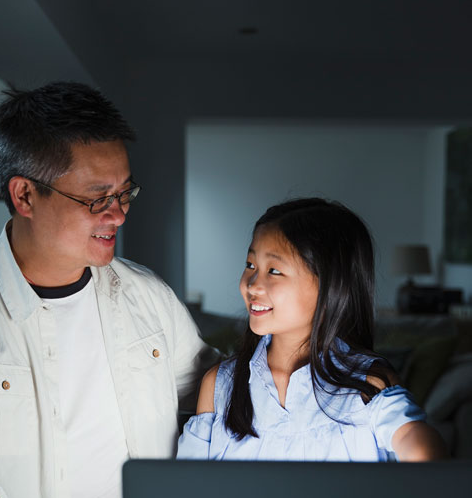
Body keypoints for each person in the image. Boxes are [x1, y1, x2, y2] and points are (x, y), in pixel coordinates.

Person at [0, 81, 217, 498]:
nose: (117, 214)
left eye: (125, 193)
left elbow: (215, 390)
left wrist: (324, 369)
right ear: (25, 196)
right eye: (96, 198)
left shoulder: (146, 296)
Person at [177, 198, 447, 462]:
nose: (252, 285)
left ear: (330, 288)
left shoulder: (369, 384)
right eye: (251, 265)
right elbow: (188, 489)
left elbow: (417, 444)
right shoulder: (220, 385)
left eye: (274, 270)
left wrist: (420, 447)